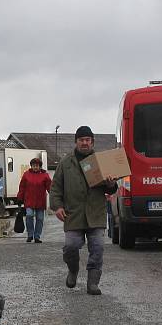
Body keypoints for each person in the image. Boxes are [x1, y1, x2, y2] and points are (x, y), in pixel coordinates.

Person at [49, 126, 117, 295]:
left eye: (88, 140)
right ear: (76, 142)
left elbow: (112, 189)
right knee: (71, 246)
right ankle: (73, 270)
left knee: (98, 248)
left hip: (96, 213)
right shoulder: (66, 163)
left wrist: (110, 183)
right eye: (81, 140)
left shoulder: (102, 161)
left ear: (92, 142)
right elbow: (56, 187)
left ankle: (92, 283)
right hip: (73, 214)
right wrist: (57, 207)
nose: (85, 143)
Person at [16, 157, 52, 243]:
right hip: (29, 200)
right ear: (31, 166)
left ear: (40, 166)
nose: (35, 167)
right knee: (29, 215)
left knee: (40, 219)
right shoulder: (26, 175)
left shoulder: (45, 175)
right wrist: (20, 198)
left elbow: (50, 188)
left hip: (40, 201)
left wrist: (55, 197)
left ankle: (37, 236)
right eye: (33, 165)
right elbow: (22, 187)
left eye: (37, 166)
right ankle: (30, 235)